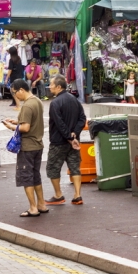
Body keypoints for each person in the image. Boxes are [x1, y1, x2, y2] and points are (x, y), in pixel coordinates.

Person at [2, 79, 48, 218]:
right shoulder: (37, 101)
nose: (16, 96)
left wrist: (12, 127)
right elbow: (31, 121)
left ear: (21, 90)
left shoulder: (27, 106)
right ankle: (42, 204)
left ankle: (33, 208)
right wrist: (17, 121)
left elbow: (26, 127)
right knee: (36, 176)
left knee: (26, 177)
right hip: (38, 145)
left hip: (27, 146)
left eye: (15, 93)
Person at [45, 75, 88, 206]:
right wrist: (74, 134)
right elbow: (82, 118)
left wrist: (69, 137)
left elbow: (59, 123)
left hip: (59, 142)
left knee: (52, 168)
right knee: (75, 167)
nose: (49, 86)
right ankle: (77, 195)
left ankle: (58, 195)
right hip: (74, 141)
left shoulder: (55, 103)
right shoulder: (74, 99)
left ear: (58, 87)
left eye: (51, 84)